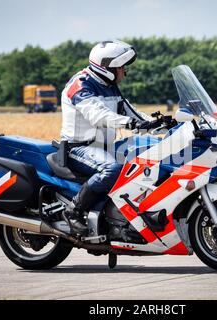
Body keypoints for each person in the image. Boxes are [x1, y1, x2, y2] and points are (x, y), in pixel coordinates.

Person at [60, 40, 154, 235]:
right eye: (121, 67)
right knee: (111, 169)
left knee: (148, 154)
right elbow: (98, 115)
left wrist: (157, 123)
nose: (124, 71)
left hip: (104, 146)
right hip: (78, 148)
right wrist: (130, 124)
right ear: (107, 68)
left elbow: (131, 112)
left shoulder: (110, 86)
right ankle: (74, 211)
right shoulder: (80, 85)